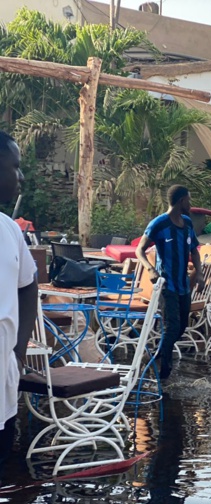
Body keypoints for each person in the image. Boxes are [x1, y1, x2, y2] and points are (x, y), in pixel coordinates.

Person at [136, 185, 204, 380]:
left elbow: (194, 251)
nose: (190, 204)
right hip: (166, 286)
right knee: (171, 326)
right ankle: (162, 369)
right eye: (189, 200)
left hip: (183, 285)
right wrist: (150, 269)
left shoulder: (188, 224)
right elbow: (139, 250)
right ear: (182, 201)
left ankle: (157, 357)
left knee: (181, 327)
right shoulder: (159, 224)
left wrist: (199, 273)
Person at [0, 131, 38, 467]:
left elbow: (28, 285)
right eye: (15, 167)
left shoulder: (9, 229)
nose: (21, 176)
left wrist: (20, 348)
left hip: (3, 384)